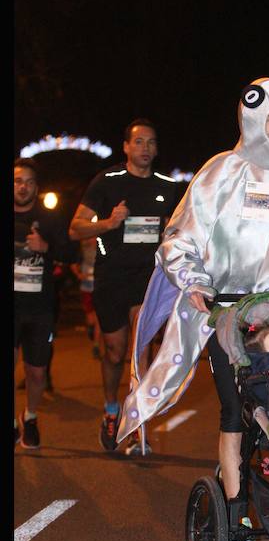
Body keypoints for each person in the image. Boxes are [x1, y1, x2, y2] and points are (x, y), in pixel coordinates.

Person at [116, 78, 269, 541]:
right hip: (228, 312)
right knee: (236, 410)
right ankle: (235, 512)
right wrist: (196, 281)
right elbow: (179, 239)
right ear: (253, 120)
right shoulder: (222, 172)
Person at [69, 118, 178, 454]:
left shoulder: (168, 186)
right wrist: (108, 222)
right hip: (111, 279)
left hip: (147, 280)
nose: (146, 149)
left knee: (138, 350)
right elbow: (75, 229)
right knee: (115, 351)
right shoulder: (107, 182)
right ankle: (111, 409)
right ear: (127, 147)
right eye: (139, 142)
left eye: (151, 143)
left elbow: (180, 231)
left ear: (157, 149)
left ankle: (136, 423)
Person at [14, 159, 71, 449]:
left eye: (28, 181)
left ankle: (31, 416)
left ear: (36, 187)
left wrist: (45, 248)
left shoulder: (49, 219)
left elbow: (70, 252)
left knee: (36, 371)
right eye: (17, 180)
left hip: (40, 307)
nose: (22, 186)